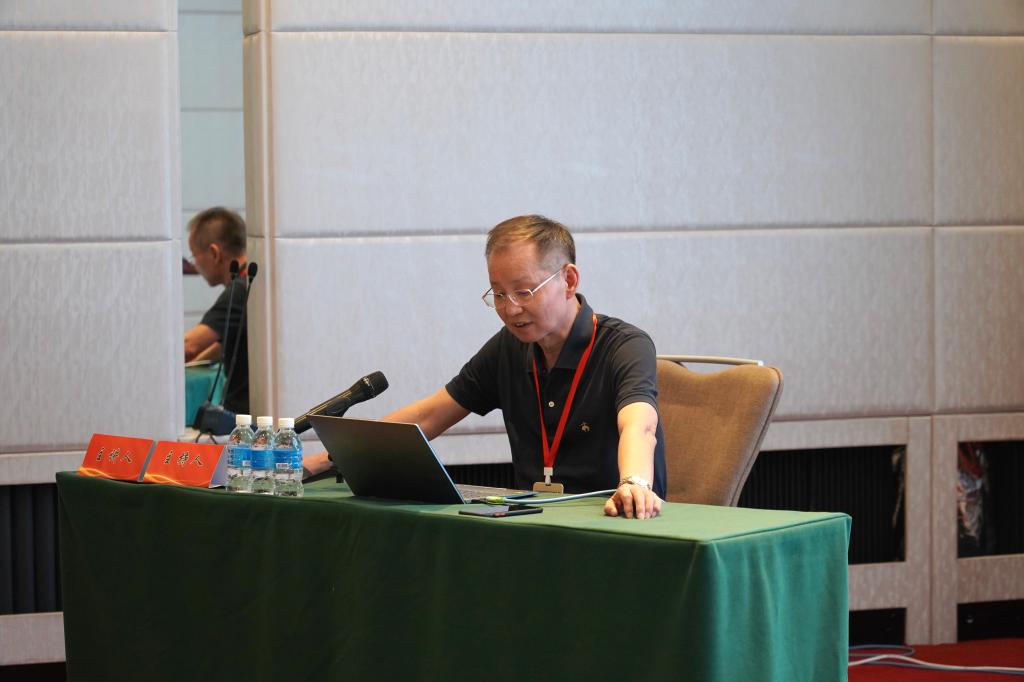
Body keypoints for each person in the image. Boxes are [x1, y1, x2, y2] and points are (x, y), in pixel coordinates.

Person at [306, 215, 665, 519]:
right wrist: (319, 462)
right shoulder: (509, 347)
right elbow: (429, 416)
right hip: (530, 524)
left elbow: (640, 425)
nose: (510, 309)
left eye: (524, 292)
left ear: (569, 280)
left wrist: (634, 483)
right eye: (498, 294)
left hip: (612, 519)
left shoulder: (625, 346)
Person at [183, 207, 249, 415]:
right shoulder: (251, 282)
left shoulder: (239, 291)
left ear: (214, 253)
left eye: (194, 256)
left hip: (242, 415)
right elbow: (222, 344)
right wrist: (195, 362)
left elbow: (188, 346)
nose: (195, 265)